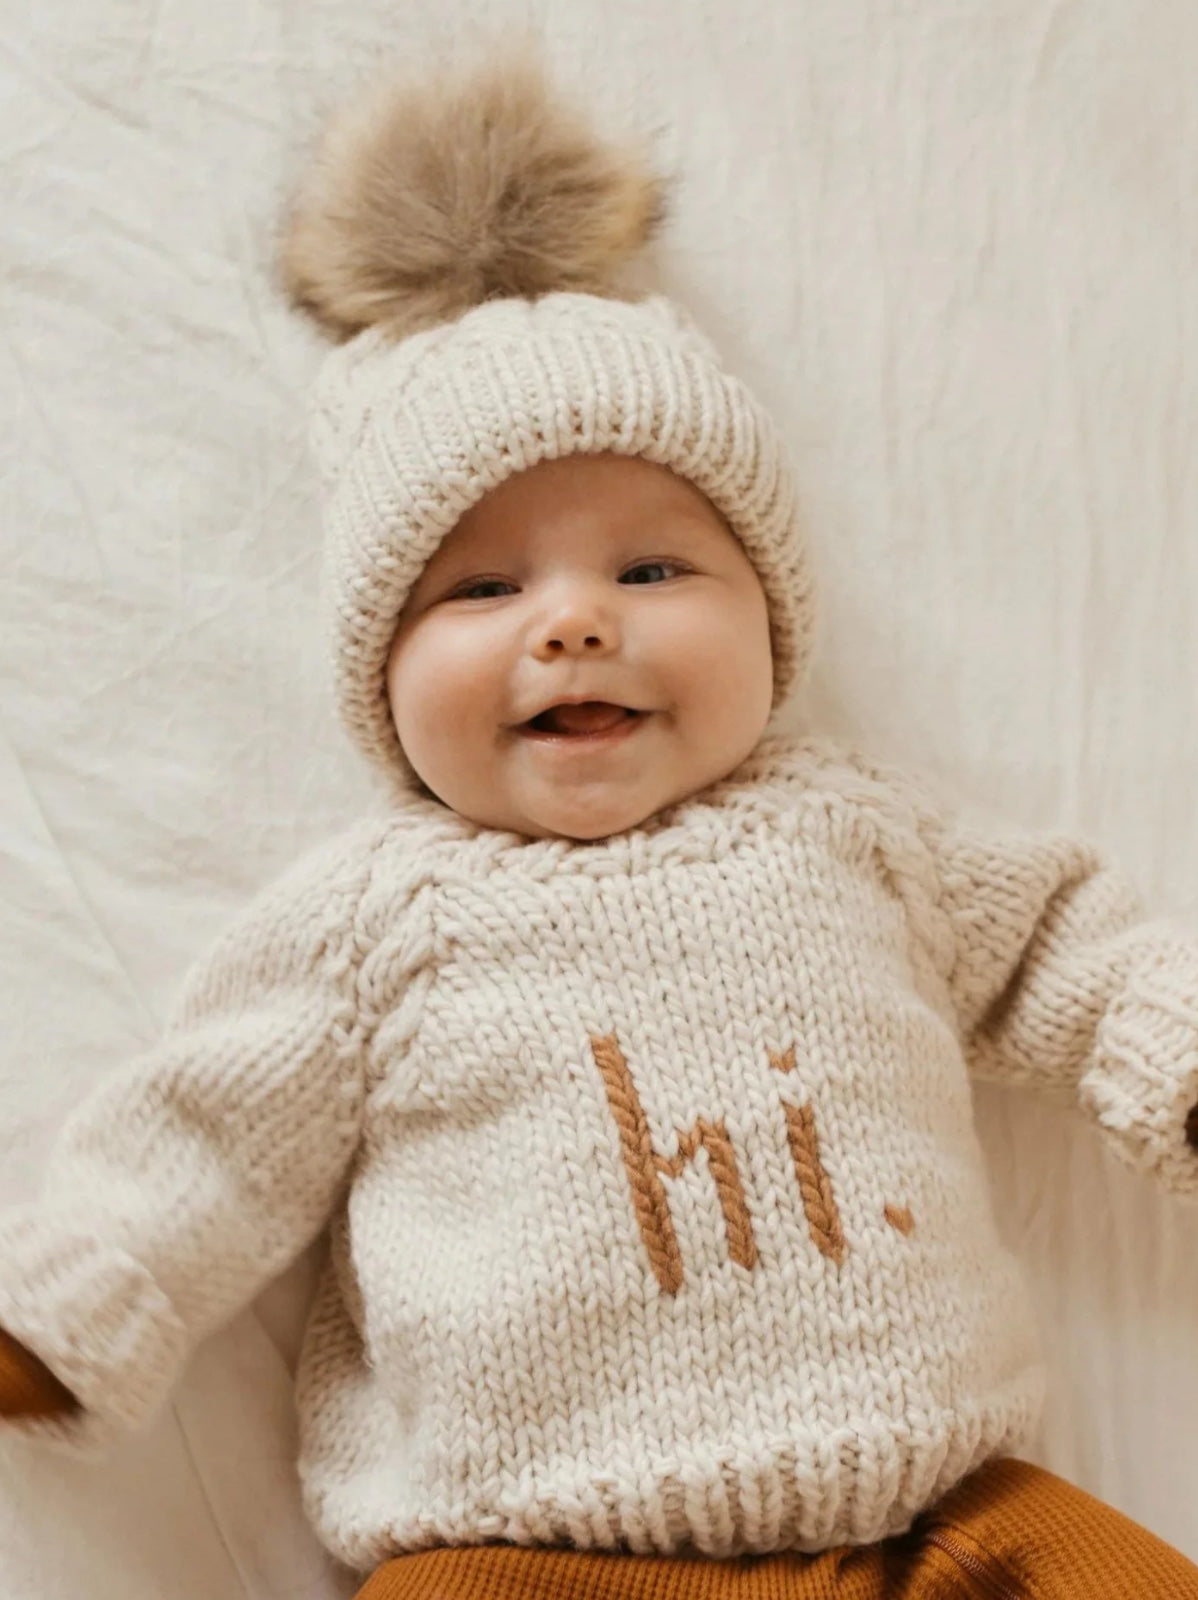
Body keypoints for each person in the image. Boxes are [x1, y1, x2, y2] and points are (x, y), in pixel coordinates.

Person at [2, 50, 1197, 1600]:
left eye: (649, 573)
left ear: (770, 622)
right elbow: (208, 1137)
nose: (570, 626)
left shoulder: (855, 837)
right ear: (377, 669)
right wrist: (64, 1305)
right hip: (522, 1555)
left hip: (932, 1521)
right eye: (481, 589)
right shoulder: (381, 917)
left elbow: (1059, 946)